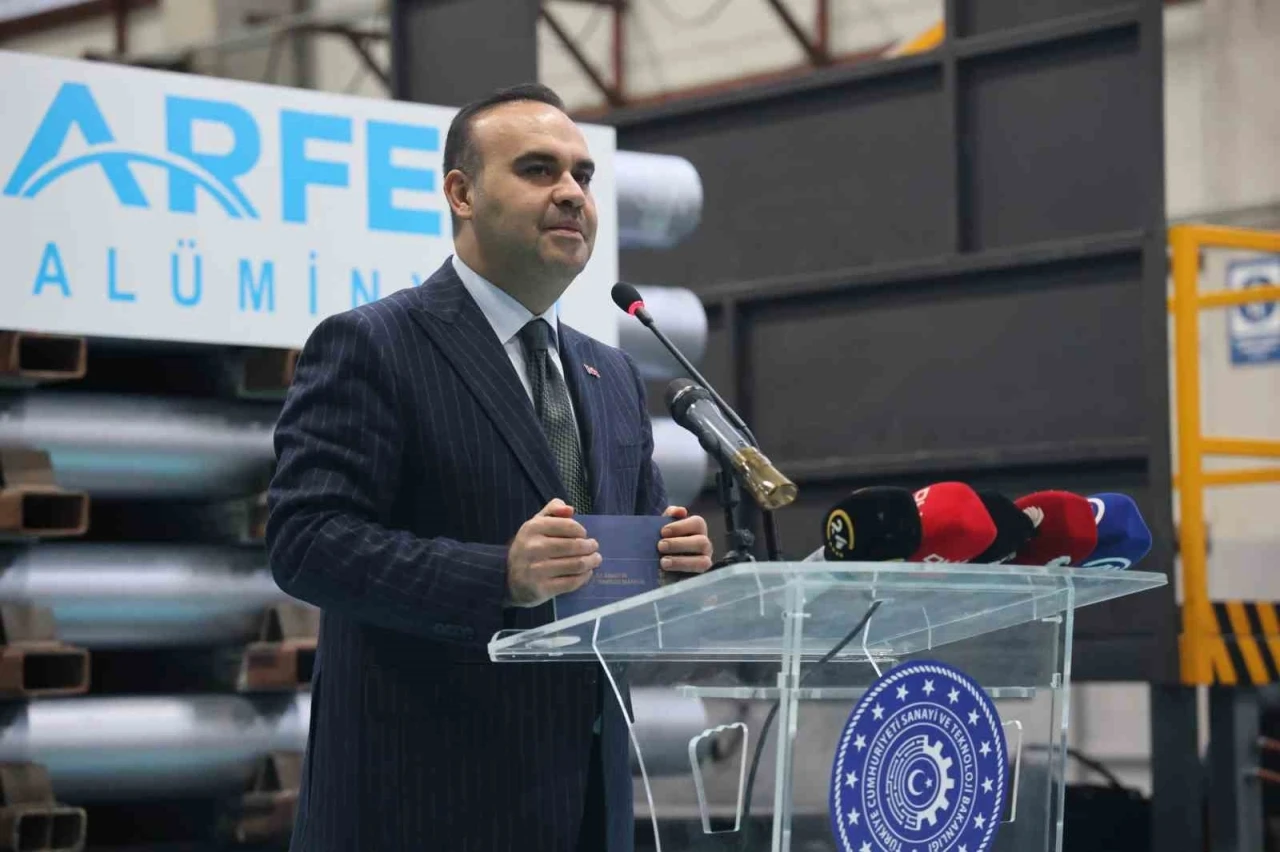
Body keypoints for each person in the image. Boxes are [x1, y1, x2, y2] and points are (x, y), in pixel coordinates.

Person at [265, 82, 715, 852]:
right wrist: (498, 574)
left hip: (585, 807)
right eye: (539, 170)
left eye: (582, 175)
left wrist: (670, 568)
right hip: (421, 808)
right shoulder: (374, 345)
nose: (571, 193)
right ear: (461, 194)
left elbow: (611, 577)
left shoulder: (611, 375)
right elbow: (306, 542)